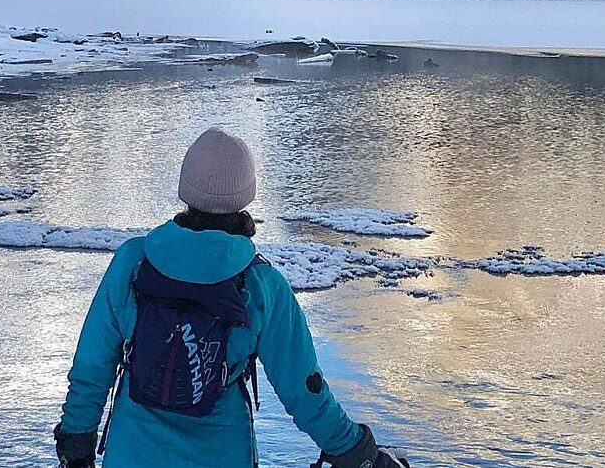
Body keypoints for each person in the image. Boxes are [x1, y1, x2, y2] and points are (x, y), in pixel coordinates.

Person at [54, 127, 410, 468]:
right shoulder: (261, 284)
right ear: (245, 195)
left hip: (131, 456)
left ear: (185, 190)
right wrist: (359, 453)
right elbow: (305, 393)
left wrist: (76, 444)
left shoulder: (131, 262)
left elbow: (91, 368)